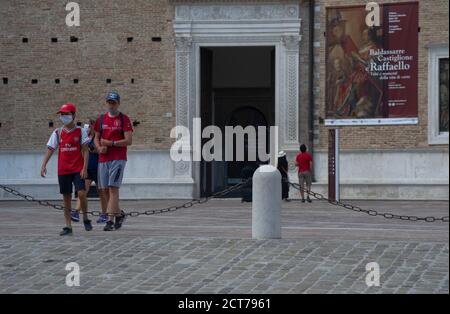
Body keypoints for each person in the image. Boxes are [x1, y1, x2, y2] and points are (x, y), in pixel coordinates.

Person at [40, 103, 92, 235]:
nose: (64, 117)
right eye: (62, 114)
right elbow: (50, 149)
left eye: (66, 114)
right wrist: (44, 165)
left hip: (78, 168)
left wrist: (85, 168)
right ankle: (68, 226)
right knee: (66, 198)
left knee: (81, 193)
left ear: (73, 115)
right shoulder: (58, 132)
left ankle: (85, 217)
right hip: (63, 169)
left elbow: (86, 150)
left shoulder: (81, 131)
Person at [94, 91, 133, 231]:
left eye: (114, 102)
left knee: (113, 188)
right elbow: (96, 138)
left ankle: (109, 221)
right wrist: (99, 147)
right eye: (109, 102)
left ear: (118, 103)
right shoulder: (101, 119)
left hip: (118, 158)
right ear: (106, 103)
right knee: (104, 190)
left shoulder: (124, 119)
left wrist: (111, 143)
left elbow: (129, 140)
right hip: (103, 159)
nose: (111, 105)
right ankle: (119, 214)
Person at [73, 119, 108, 224]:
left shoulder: (99, 137)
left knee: (101, 193)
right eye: (86, 126)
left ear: (94, 126)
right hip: (87, 168)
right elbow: (81, 151)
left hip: (99, 167)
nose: (87, 128)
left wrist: (94, 149)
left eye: (89, 125)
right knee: (82, 191)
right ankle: (76, 212)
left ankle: (104, 214)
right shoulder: (85, 138)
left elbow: (103, 150)